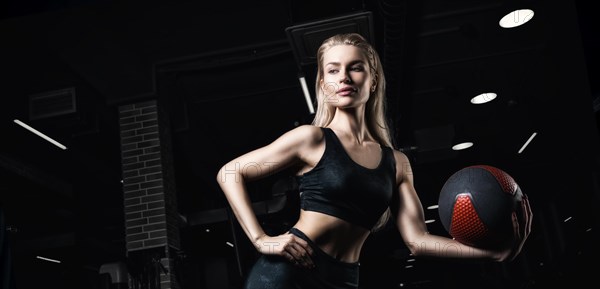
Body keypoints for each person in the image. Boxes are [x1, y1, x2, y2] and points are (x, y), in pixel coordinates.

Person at [216, 32, 532, 289]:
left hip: (344, 279)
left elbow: (418, 240)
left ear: (373, 80)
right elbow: (230, 173)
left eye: (356, 67)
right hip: (288, 273)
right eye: (333, 69)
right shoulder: (311, 139)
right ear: (323, 85)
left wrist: (491, 253)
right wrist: (261, 240)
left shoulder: (396, 163)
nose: (344, 77)